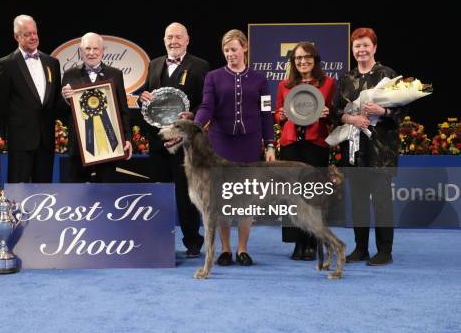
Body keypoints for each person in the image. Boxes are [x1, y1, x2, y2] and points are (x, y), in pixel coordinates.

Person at [194, 29, 275, 266]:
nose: (230, 54)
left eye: (234, 49)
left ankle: (242, 249)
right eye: (226, 50)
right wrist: (196, 126)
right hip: (221, 143)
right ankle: (226, 250)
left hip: (249, 144)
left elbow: (266, 115)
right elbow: (207, 106)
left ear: (245, 48)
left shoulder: (260, 79)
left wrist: (269, 145)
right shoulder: (213, 77)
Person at [331, 27, 405, 266]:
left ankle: (385, 251)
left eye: (365, 45)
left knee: (382, 202)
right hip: (354, 151)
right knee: (359, 202)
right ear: (352, 50)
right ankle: (360, 248)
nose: (361, 50)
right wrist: (352, 119)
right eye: (357, 46)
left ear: (374, 47)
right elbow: (335, 112)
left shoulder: (387, 74)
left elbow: (403, 109)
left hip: (380, 151)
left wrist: (382, 111)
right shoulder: (345, 79)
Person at [139, 22, 209, 258]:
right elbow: (149, 100)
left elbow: (204, 102)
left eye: (178, 37)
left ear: (187, 40)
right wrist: (143, 99)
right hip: (158, 142)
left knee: (186, 194)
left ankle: (192, 242)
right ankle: (158, 240)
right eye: (170, 37)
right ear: (164, 40)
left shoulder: (200, 66)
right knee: (158, 194)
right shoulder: (154, 64)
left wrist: (193, 116)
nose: (174, 41)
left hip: (184, 145)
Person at [275, 42, 336, 261]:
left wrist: (329, 113)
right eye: (298, 58)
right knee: (293, 197)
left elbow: (334, 114)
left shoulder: (328, 83)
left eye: (307, 57)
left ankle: (312, 242)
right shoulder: (285, 85)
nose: (303, 61)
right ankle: (298, 242)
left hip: (315, 145)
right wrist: (279, 115)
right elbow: (277, 113)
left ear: (315, 60)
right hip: (291, 146)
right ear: (293, 62)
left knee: (312, 196)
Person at [0, 15, 62, 183]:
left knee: (44, 192)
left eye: (35, 33)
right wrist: (8, 136)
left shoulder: (52, 62)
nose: (33, 37)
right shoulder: (6, 64)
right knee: (17, 190)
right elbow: (0, 106)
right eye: (27, 34)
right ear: (17, 37)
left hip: (46, 140)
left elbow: (54, 101)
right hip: (19, 142)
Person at [60, 32, 132, 182]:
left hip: (108, 146)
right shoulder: (69, 75)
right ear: (81, 51)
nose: (91, 53)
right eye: (87, 49)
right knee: (78, 195)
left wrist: (128, 138)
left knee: (106, 193)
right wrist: (66, 100)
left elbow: (123, 109)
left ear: (102, 50)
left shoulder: (115, 74)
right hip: (79, 148)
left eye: (95, 48)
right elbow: (59, 110)